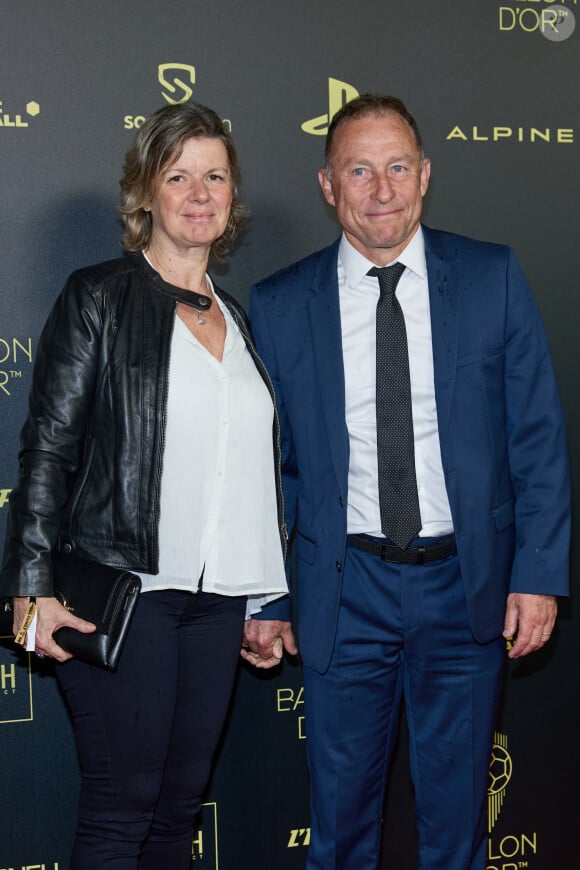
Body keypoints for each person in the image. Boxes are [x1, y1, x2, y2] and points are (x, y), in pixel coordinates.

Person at [241, 94, 570, 869]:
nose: (381, 189)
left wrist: (538, 576)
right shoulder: (282, 304)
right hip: (343, 589)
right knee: (341, 832)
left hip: (467, 588)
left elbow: (538, 441)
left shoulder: (492, 278)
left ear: (425, 175)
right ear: (329, 185)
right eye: (360, 170)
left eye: (396, 168)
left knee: (457, 831)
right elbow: (268, 469)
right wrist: (270, 594)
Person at [0, 101, 288, 869]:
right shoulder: (98, 296)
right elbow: (48, 452)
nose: (200, 192)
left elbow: (241, 469)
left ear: (232, 197)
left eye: (215, 176)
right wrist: (29, 587)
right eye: (179, 175)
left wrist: (262, 598)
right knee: (121, 812)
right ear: (146, 194)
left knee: (175, 815)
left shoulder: (238, 319)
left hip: (218, 600)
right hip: (125, 593)